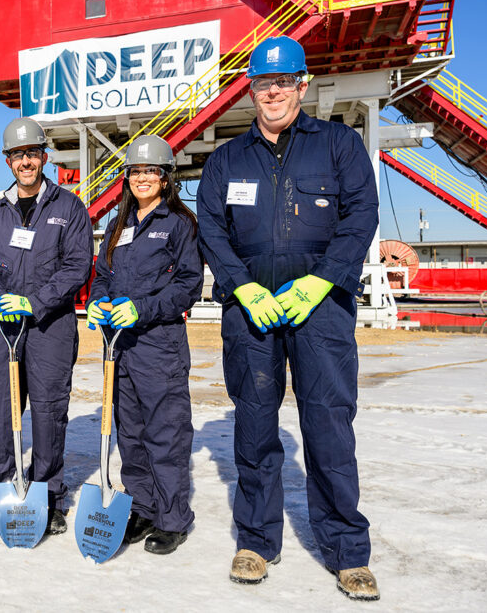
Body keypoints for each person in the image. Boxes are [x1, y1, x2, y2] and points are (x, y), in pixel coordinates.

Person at [197, 36, 380, 601]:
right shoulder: (228, 158)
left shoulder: (337, 144)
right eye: (261, 83)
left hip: (320, 309)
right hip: (250, 313)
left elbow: (361, 214)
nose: (272, 92)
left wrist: (323, 280)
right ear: (250, 90)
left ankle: (347, 550)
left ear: (302, 85)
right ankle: (255, 540)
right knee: (254, 426)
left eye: (283, 82)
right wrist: (243, 287)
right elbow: (210, 228)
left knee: (328, 425)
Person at [0, 117, 92, 535]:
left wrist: (34, 302)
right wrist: (1, 298)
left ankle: (49, 493)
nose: (26, 162)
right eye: (18, 155)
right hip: (3, 326)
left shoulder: (68, 207)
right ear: (8, 161)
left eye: (32, 154)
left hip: (49, 325)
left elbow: (77, 266)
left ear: (44, 157)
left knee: (50, 410)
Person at [86, 133, 203, 554]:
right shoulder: (118, 225)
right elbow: (101, 276)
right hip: (118, 346)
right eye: (136, 171)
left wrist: (142, 309)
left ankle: (172, 518)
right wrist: (99, 304)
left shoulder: (179, 224)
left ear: (166, 178)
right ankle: (143, 506)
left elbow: (189, 285)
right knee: (131, 433)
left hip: (159, 345)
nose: (143, 178)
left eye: (151, 171)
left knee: (165, 434)